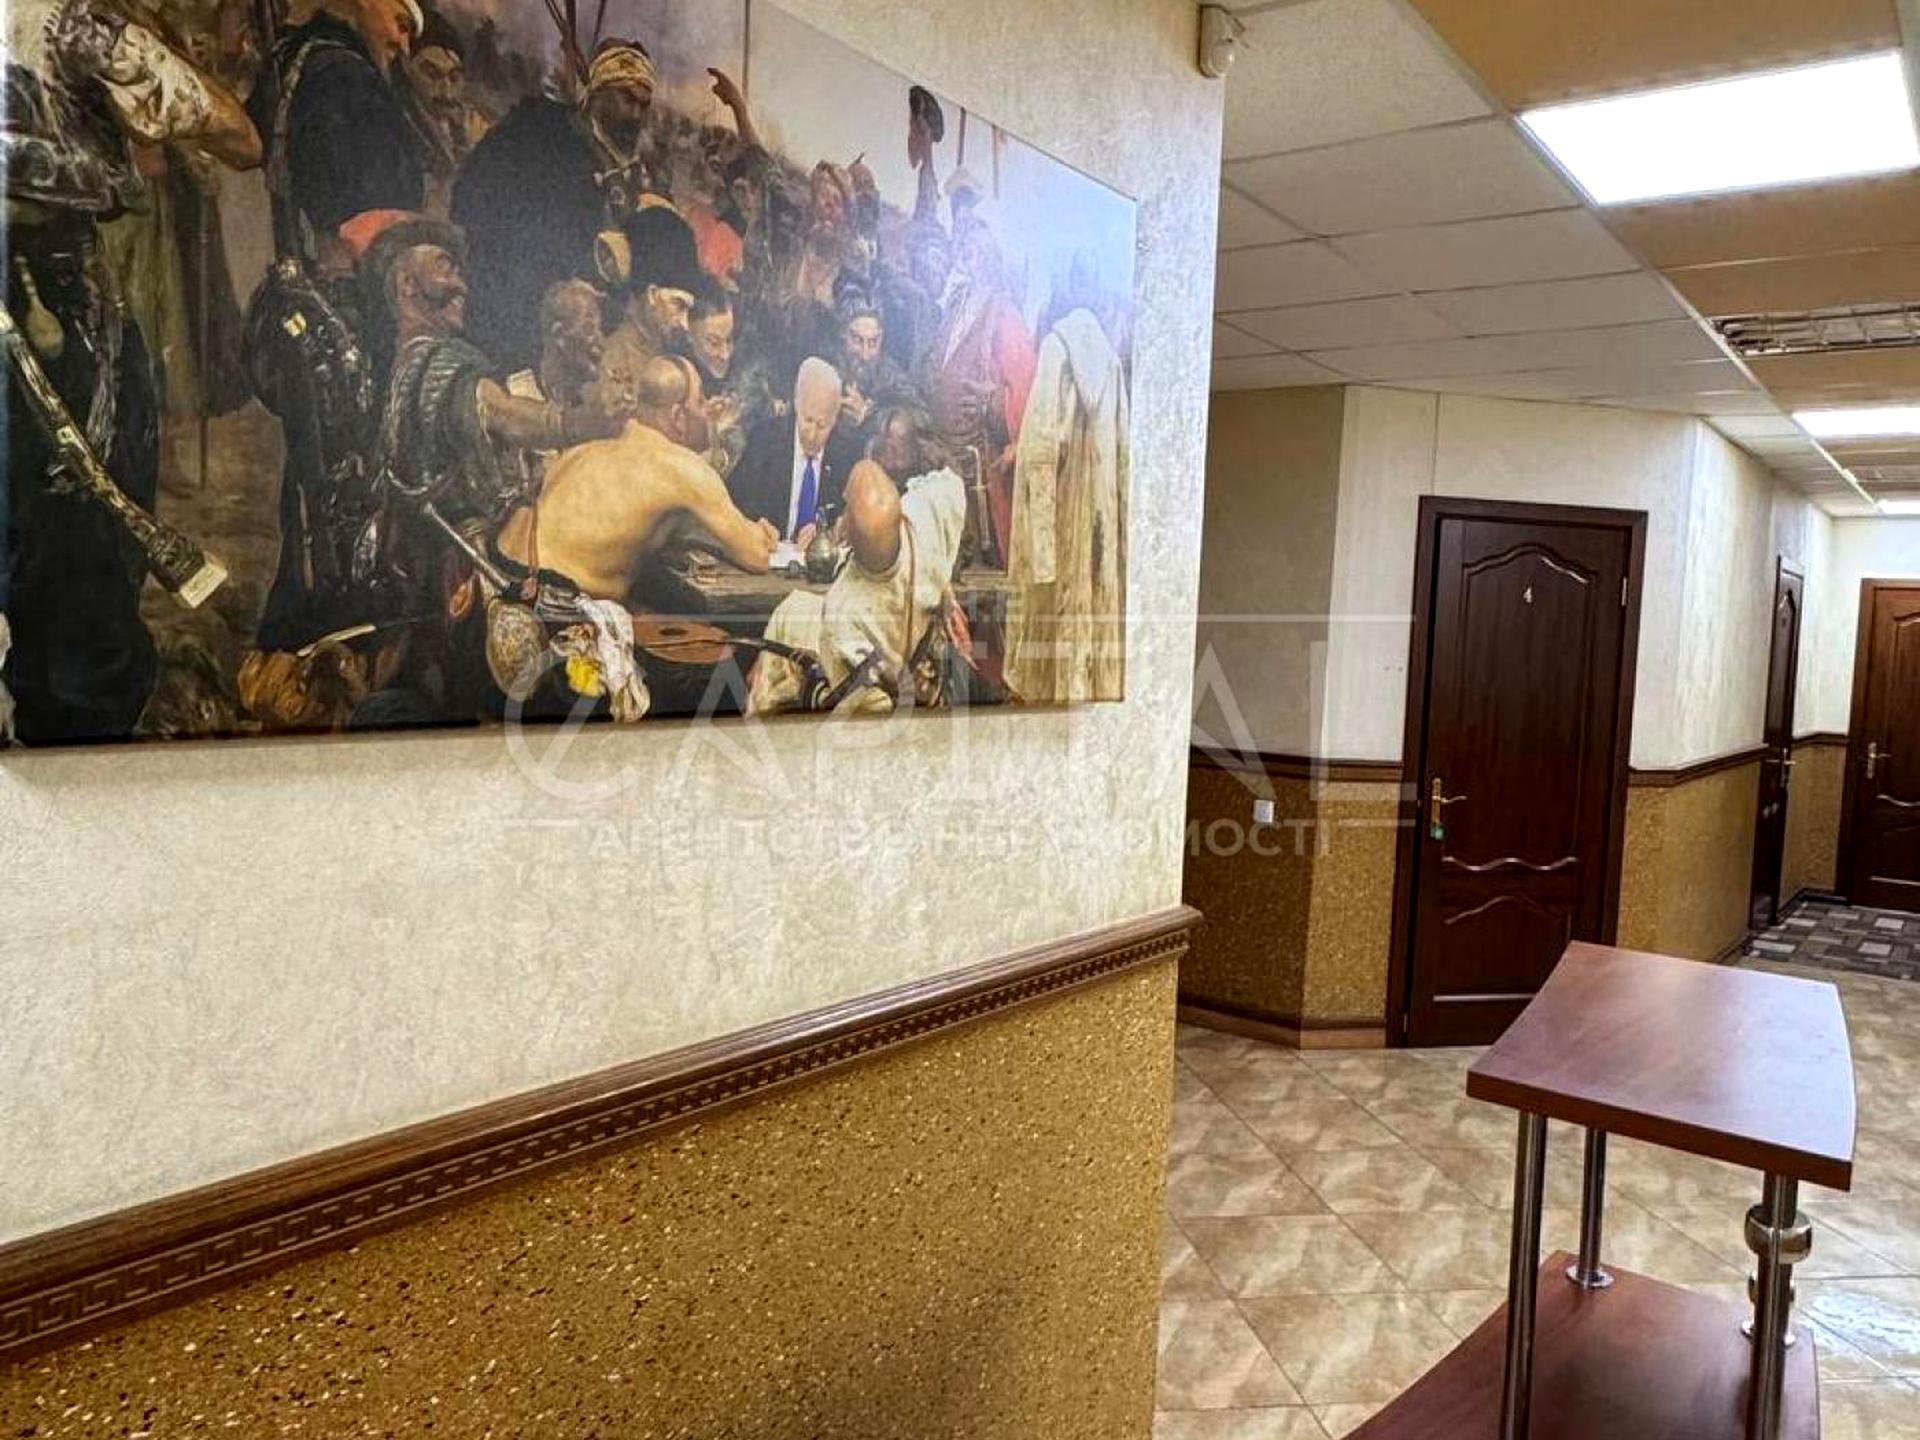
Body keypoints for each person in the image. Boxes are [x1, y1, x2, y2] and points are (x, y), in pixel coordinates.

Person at [3, 0, 259, 744]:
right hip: (42, 299)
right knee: (77, 568)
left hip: (36, 296)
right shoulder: (66, 19)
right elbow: (237, 136)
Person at [453, 42, 756, 374]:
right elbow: (477, 191)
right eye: (627, 99)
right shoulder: (541, 130)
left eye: (643, 105)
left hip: (582, 327)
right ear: (598, 93)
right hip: (513, 294)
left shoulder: (634, 173)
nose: (636, 114)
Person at [494, 354, 775, 602]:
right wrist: (759, 534)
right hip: (550, 603)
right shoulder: (682, 468)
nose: (708, 412)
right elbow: (756, 556)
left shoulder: (585, 451)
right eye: (701, 401)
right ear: (678, 416)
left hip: (496, 573)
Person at [747, 413, 969, 716]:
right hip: (906, 664)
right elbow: (948, 482)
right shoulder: (933, 505)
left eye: (847, 506)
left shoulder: (846, 612)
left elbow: (858, 702)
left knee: (789, 615)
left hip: (877, 694)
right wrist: (942, 587)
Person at [1003, 303, 1128, 704]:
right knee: (1087, 629)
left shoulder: (1055, 350)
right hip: (1099, 522)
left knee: (1050, 637)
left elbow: (1041, 450)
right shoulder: (1110, 361)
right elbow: (1124, 453)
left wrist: (1041, 556)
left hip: (1058, 530)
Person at [248, 0, 426, 275]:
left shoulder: (299, 59)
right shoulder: (347, 77)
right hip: (353, 268)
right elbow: (361, 211)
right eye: (400, 25)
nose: (404, 47)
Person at [928, 219, 1036, 568]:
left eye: (978, 249)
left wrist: (993, 405)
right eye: (965, 247)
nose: (969, 255)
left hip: (981, 467)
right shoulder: (953, 310)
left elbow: (1026, 395)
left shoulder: (1005, 315)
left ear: (993, 258)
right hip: (944, 461)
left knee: (983, 567)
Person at [728, 357, 860, 545]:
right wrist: (753, 526)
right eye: (808, 420)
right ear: (797, 404)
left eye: (822, 425)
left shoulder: (847, 454)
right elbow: (733, 505)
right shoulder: (764, 440)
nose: (812, 434)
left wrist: (828, 533)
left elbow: (848, 518)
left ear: (835, 418)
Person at [597, 204, 705, 412]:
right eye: (678, 305)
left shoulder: (670, 349)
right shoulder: (614, 362)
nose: (684, 324)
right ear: (652, 295)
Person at [504, 278, 606, 486]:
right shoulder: (516, 396)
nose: (601, 342)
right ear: (559, 336)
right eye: (589, 329)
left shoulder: (589, 404)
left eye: (600, 329)